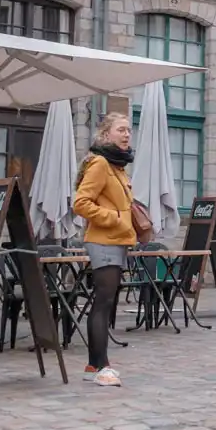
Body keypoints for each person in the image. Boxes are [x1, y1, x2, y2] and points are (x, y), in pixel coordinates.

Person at [72, 111, 136, 386]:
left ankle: (92, 364)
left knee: (105, 302)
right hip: (104, 240)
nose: (126, 134)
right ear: (106, 133)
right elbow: (81, 203)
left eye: (129, 130)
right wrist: (117, 219)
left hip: (117, 240)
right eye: (121, 129)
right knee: (102, 303)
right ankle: (102, 368)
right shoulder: (99, 164)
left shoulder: (117, 166)